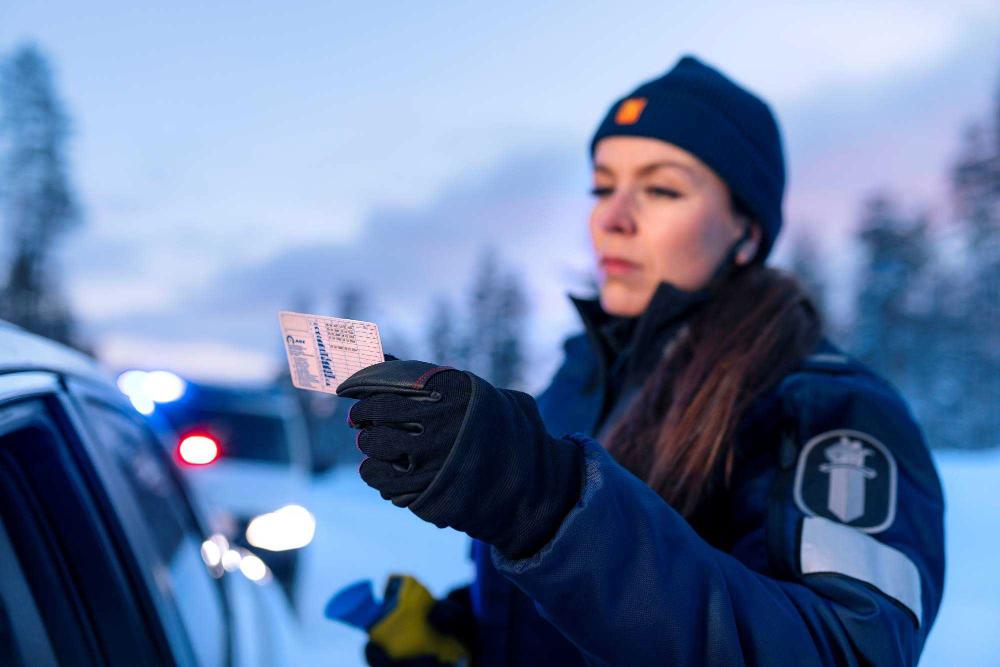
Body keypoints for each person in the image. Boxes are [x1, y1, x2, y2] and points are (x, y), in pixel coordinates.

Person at [333, 54, 945, 666]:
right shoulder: (578, 381)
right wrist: (464, 636)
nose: (612, 218)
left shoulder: (824, 408)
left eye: (661, 188)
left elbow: (847, 650)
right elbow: (581, 613)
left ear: (747, 233)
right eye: (603, 186)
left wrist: (549, 503)